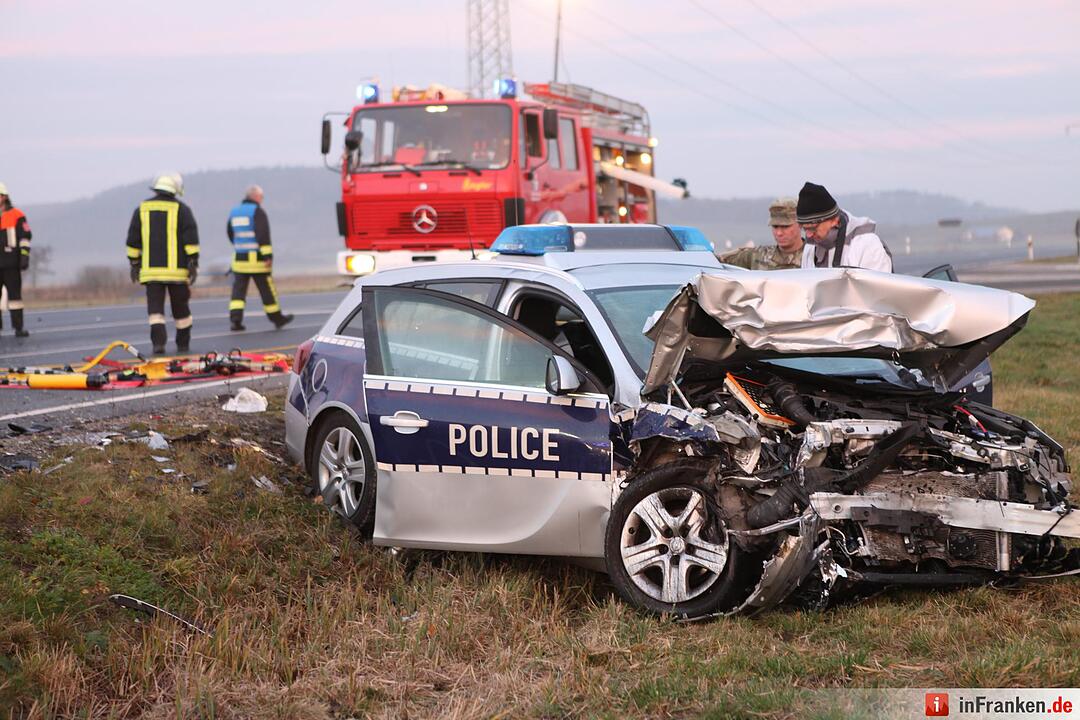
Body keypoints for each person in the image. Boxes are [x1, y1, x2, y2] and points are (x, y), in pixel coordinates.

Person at [126, 172, 199, 355]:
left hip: (152, 273)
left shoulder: (141, 209)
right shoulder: (182, 210)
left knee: (155, 311)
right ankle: (183, 344)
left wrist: (134, 263)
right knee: (181, 309)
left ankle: (158, 344)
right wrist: (193, 262)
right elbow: (190, 239)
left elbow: (133, 240)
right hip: (177, 272)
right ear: (176, 189)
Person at [226, 185, 293, 331]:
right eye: (261, 197)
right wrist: (267, 256)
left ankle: (235, 321)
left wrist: (240, 246)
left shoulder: (234, 212)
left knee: (238, 293)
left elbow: (230, 233)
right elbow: (263, 235)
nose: (262, 199)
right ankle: (277, 318)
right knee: (267, 290)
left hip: (239, 260)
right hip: (257, 261)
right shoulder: (257, 211)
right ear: (255, 196)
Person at [797, 182, 893, 272]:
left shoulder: (867, 245)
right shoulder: (810, 247)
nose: (808, 235)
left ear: (834, 220)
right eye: (804, 229)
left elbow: (880, 288)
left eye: (813, 228)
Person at [719, 197, 803, 270]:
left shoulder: (812, 258)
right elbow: (716, 261)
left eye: (785, 227)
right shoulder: (758, 256)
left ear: (800, 224)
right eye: (775, 227)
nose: (779, 233)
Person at [0, 182, 32, 337]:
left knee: (15, 298)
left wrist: (24, 256)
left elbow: (25, 238)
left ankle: (18, 328)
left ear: (4, 197)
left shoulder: (17, 215)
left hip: (11, 262)